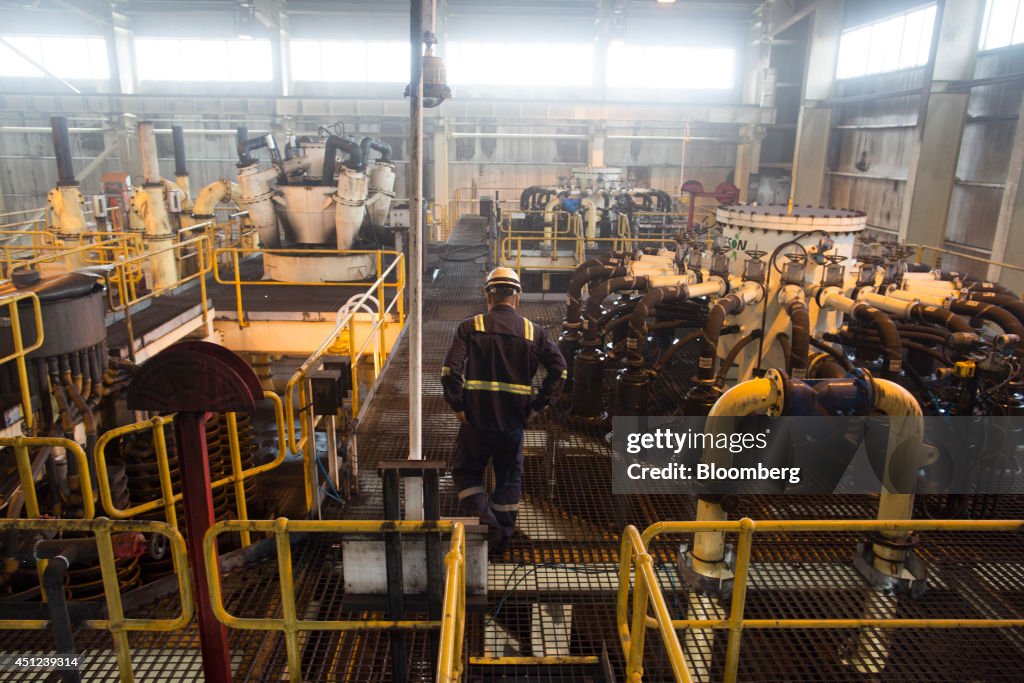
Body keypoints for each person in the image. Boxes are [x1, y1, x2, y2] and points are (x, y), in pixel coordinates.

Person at [440, 267, 567, 552]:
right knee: (509, 477)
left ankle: (487, 522)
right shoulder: (534, 332)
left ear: (488, 294)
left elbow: (450, 370)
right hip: (513, 420)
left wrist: (458, 404)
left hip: (476, 419)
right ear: (517, 296)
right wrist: (538, 405)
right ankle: (503, 537)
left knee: (466, 472)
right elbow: (560, 372)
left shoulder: (471, 327)